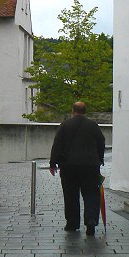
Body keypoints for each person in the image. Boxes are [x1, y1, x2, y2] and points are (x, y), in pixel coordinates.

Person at [49, 101, 106, 235]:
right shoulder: (93, 125)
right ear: (85, 111)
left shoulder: (65, 125)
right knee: (91, 194)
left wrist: (53, 163)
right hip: (90, 166)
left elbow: (57, 144)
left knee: (70, 195)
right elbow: (101, 142)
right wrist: (99, 159)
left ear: (72, 111)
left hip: (69, 166)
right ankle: (91, 221)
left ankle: (72, 223)